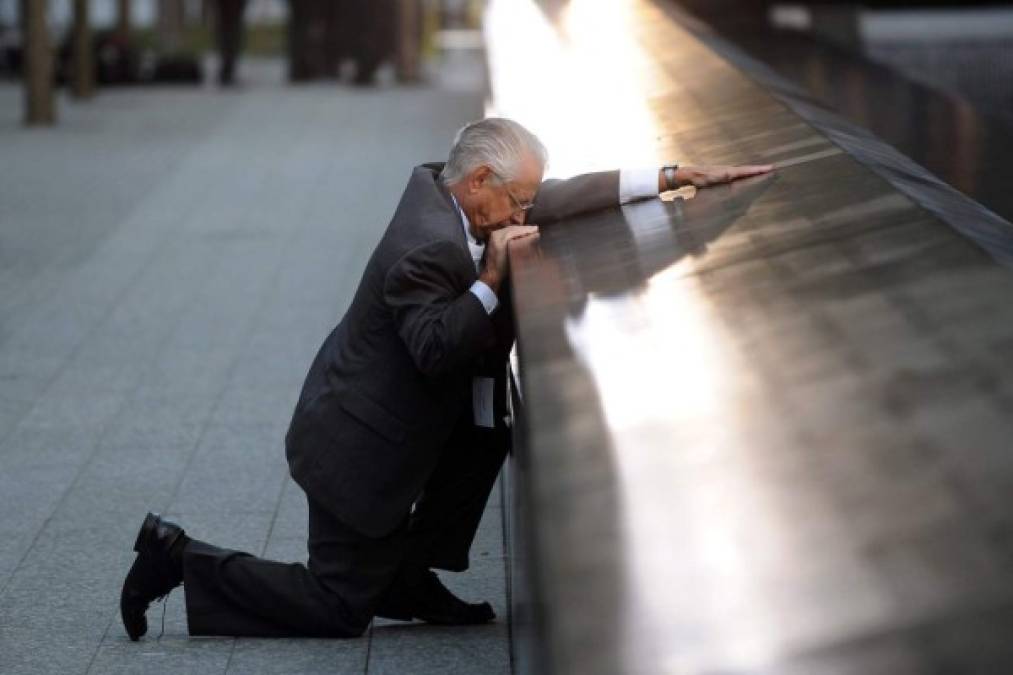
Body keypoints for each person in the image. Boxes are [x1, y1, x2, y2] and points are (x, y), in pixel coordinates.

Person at [119, 118, 773, 639]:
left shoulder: (458, 189)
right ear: (481, 180)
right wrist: (490, 280)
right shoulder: (426, 243)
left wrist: (665, 176)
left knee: (487, 430)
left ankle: (404, 575)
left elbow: (557, 195)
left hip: (387, 420)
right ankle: (177, 556)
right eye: (517, 201)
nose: (524, 214)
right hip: (352, 446)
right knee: (337, 609)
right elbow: (433, 348)